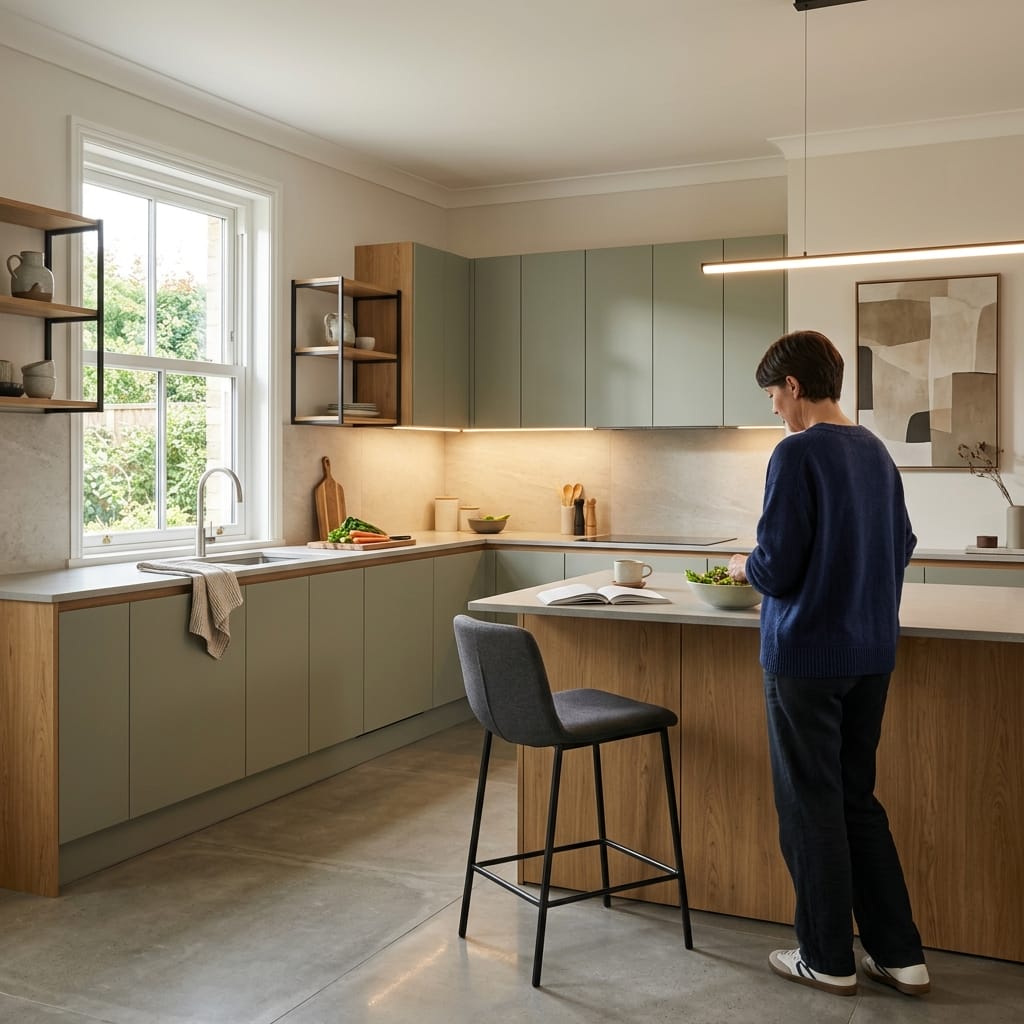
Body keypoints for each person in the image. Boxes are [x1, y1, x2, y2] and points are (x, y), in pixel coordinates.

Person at [727, 330, 930, 998]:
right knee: (855, 801)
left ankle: (826, 958)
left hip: (805, 657)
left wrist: (745, 567)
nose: (775, 410)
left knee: (809, 806)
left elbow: (777, 565)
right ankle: (901, 957)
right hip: (871, 653)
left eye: (773, 396)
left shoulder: (798, 452)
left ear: (793, 386)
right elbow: (901, 544)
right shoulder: (875, 451)